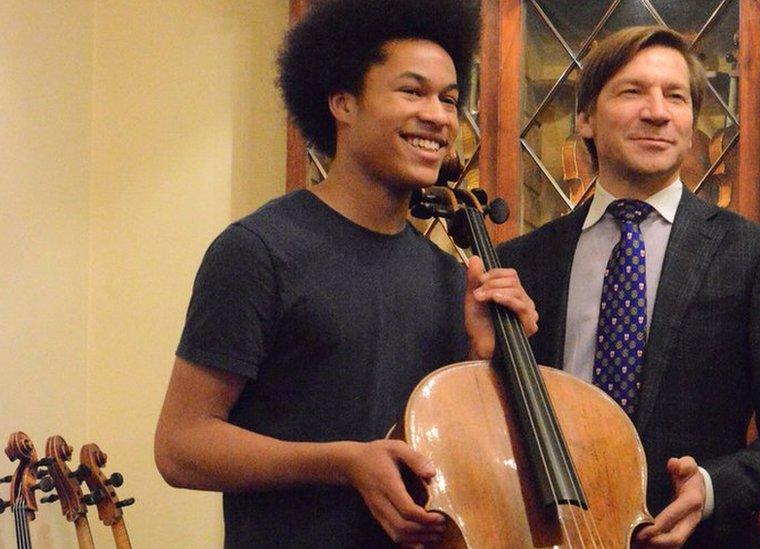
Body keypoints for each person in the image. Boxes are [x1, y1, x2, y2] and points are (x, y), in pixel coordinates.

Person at [153, 1, 538, 547]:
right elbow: (181, 447)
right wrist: (343, 462)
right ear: (343, 104)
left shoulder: (448, 279)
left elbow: (456, 459)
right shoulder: (258, 251)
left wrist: (484, 356)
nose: (439, 115)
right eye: (412, 91)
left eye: (450, 99)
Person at [498, 26, 760, 548]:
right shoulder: (524, 262)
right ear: (585, 118)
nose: (657, 112)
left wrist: (711, 486)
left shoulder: (753, 255)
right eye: (632, 91)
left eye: (675, 96)